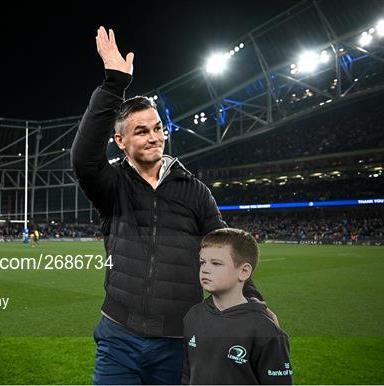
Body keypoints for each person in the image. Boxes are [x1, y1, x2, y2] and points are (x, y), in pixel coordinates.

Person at [71, 26, 265, 385]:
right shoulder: (112, 186)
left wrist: (254, 306)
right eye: (141, 131)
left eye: (157, 128)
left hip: (179, 341)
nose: (153, 137)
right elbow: (83, 158)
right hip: (119, 337)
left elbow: (227, 253)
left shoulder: (195, 192)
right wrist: (113, 83)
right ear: (120, 140)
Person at [182, 228, 292, 385]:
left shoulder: (266, 330)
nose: (205, 269)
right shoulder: (193, 315)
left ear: (244, 271)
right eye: (202, 262)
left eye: (216, 263)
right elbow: (187, 374)